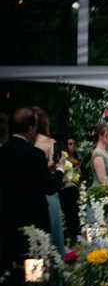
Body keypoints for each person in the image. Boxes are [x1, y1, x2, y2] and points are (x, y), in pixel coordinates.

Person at [0, 108, 64, 270]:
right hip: (33, 225)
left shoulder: (3, 152)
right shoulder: (35, 155)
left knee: (11, 271)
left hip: (7, 223)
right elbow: (49, 187)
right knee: (33, 275)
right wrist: (60, 170)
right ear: (30, 128)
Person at [32, 106, 65, 256]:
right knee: (53, 233)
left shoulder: (27, 143)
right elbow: (55, 164)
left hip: (30, 194)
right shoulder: (50, 142)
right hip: (48, 192)